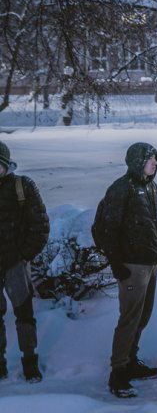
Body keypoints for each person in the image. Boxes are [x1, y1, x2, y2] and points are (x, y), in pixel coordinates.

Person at [92, 143, 157, 398]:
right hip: (131, 265)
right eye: (150, 159)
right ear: (137, 161)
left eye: (156, 159)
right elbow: (107, 229)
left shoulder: (150, 187)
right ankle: (118, 373)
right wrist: (117, 263)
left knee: (143, 317)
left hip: (149, 262)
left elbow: (154, 222)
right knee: (129, 318)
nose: (155, 163)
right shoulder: (121, 188)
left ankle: (131, 362)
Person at [0, 141, 49, 383]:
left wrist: (24, 255)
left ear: (6, 165)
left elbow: (40, 225)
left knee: (24, 312)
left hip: (15, 262)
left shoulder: (22, 186)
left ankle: (30, 362)